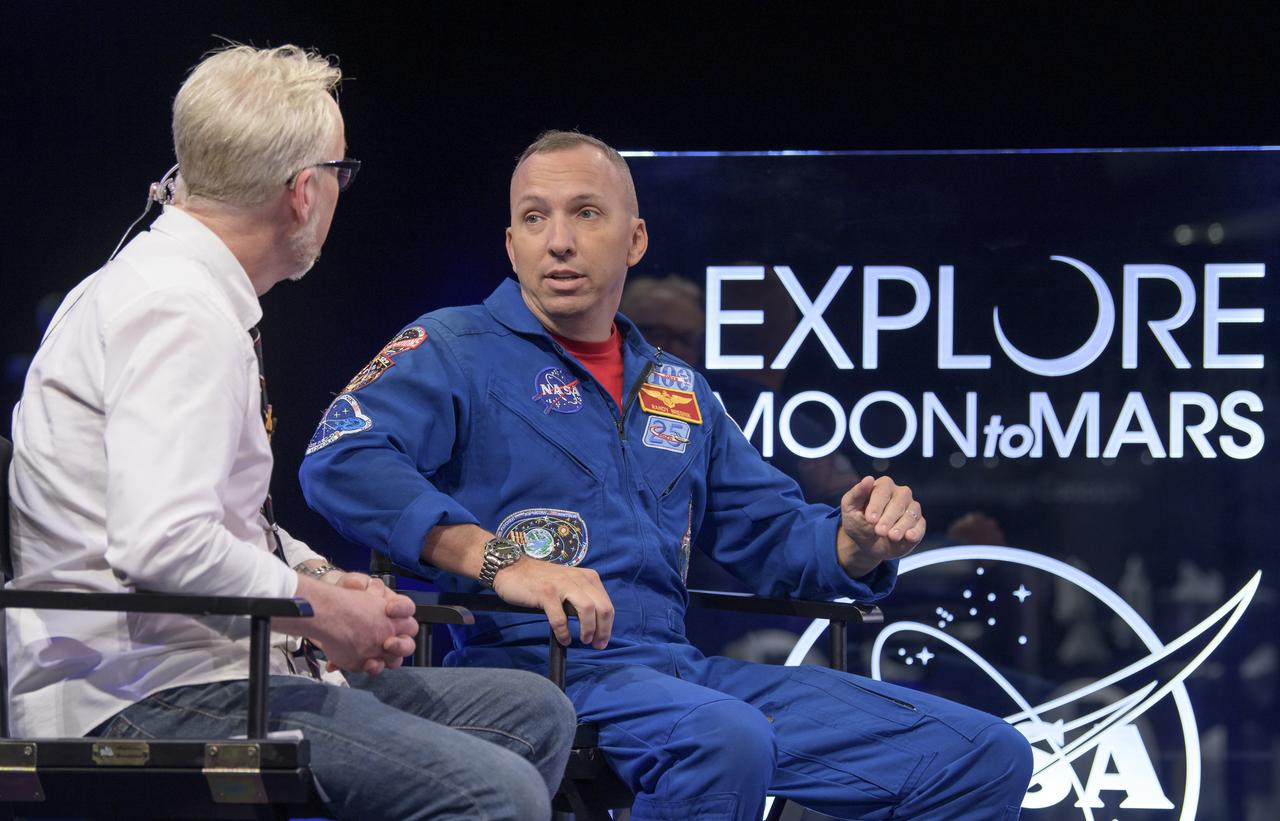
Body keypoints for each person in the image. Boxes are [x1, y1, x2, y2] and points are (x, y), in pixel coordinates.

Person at [300, 130, 1033, 821]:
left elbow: (775, 535)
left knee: (985, 755)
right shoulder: (454, 346)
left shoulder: (676, 388)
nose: (559, 239)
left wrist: (858, 541)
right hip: (538, 676)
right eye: (534, 218)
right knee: (724, 738)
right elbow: (341, 459)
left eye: (586, 213)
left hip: (681, 673)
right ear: (511, 244)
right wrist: (497, 559)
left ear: (635, 239)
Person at [5, 46, 575, 821]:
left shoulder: (185, 290)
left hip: (214, 663)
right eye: (341, 172)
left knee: (533, 713)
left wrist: (317, 573)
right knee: (497, 792)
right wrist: (315, 606)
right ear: (304, 193)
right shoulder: (176, 311)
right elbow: (160, 542)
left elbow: (214, 520)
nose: (342, 191)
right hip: (145, 690)